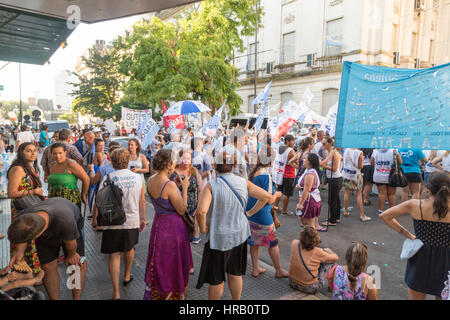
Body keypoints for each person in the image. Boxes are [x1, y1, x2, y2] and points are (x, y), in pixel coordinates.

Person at [195, 151, 278, 300]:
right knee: (235, 273)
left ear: (215, 165)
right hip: (239, 236)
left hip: (218, 239)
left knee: (216, 279)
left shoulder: (211, 186)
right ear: (233, 165)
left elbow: (201, 212)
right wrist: (250, 213)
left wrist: (203, 229)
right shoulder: (243, 182)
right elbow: (267, 197)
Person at [380, 171, 449, 300]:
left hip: (420, 256)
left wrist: (407, 234)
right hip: (446, 259)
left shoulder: (415, 205)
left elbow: (385, 215)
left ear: (427, 189)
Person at [7, 197, 86, 300]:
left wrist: (71, 255)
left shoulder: (65, 220)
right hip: (48, 224)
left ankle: (77, 298)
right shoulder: (23, 217)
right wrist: (19, 252)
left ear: (37, 234)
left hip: (70, 222)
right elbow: (22, 236)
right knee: (48, 267)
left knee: (75, 265)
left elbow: (71, 243)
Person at [98, 148, 147, 300]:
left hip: (112, 221)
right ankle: (126, 275)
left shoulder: (108, 177)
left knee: (114, 255)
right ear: (128, 161)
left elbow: (99, 201)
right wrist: (143, 218)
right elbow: (142, 201)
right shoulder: (136, 178)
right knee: (129, 248)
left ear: (111, 162)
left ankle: (116, 293)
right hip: (131, 220)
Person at [144, 149, 193, 300]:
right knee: (173, 262)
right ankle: (172, 292)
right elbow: (181, 209)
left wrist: (175, 186)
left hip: (159, 224)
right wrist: (184, 189)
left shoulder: (150, 180)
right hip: (173, 228)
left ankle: (159, 290)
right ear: (169, 165)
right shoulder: (169, 185)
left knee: (159, 260)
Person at [246, 144, 287, 278]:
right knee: (272, 243)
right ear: (270, 160)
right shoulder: (266, 176)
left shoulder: (253, 172)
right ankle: (278, 270)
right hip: (262, 215)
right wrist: (278, 195)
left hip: (251, 214)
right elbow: (268, 199)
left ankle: (256, 268)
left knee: (254, 242)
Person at [7, 142, 43, 275]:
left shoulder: (30, 167)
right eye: (29, 151)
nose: (33, 153)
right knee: (23, 238)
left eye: (34, 150)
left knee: (30, 239)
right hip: (21, 211)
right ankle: (22, 272)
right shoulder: (18, 169)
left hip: (29, 209)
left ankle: (30, 272)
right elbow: (11, 193)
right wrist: (33, 192)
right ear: (21, 152)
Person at [289, 226, 338, 294]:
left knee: (317, 261)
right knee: (331, 263)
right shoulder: (317, 252)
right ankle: (331, 287)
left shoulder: (294, 243)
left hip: (292, 282)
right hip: (309, 288)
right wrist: (330, 252)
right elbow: (335, 258)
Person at [170, 149, 203, 245]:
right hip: (178, 209)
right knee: (179, 239)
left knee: (189, 238)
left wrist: (198, 206)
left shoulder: (195, 171)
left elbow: (200, 190)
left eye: (189, 158)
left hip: (193, 210)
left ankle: (195, 233)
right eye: (184, 158)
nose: (187, 161)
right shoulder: (172, 173)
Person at [48, 143, 89, 209]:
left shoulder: (71, 164)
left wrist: (83, 194)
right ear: (51, 154)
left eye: (60, 153)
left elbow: (86, 179)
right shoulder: (52, 165)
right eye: (54, 153)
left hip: (70, 199)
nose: (58, 156)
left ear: (65, 152)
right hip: (54, 199)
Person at [296, 153, 326, 231]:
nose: (303, 159)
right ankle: (312, 240)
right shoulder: (309, 170)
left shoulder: (310, 173)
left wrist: (300, 204)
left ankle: (310, 241)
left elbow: (307, 190)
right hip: (313, 199)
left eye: (305, 158)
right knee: (309, 224)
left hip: (309, 200)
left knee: (308, 225)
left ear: (310, 162)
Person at [342, 148, 371, 222]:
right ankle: (362, 215)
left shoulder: (346, 150)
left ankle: (346, 211)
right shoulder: (359, 152)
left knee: (347, 192)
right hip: (355, 175)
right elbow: (360, 166)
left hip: (346, 173)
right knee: (359, 194)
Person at [371, 149, 402, 214]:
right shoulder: (394, 151)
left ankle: (381, 211)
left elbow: (372, 163)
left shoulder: (375, 152)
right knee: (392, 194)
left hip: (379, 175)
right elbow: (400, 162)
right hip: (392, 176)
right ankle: (392, 212)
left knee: (381, 194)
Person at [320, 137, 343, 226]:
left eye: (324, 144)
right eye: (322, 143)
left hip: (335, 178)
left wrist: (322, 165)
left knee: (332, 200)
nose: (323, 146)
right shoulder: (329, 152)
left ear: (330, 143)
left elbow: (334, 168)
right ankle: (336, 217)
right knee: (335, 199)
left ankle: (332, 220)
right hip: (333, 178)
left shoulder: (334, 153)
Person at [272, 134, 297, 216]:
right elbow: (295, 162)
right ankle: (284, 211)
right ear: (287, 141)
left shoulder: (279, 148)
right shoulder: (290, 150)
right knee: (287, 194)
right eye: (293, 141)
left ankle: (275, 207)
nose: (294, 142)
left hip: (279, 173)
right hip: (288, 174)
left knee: (279, 191)